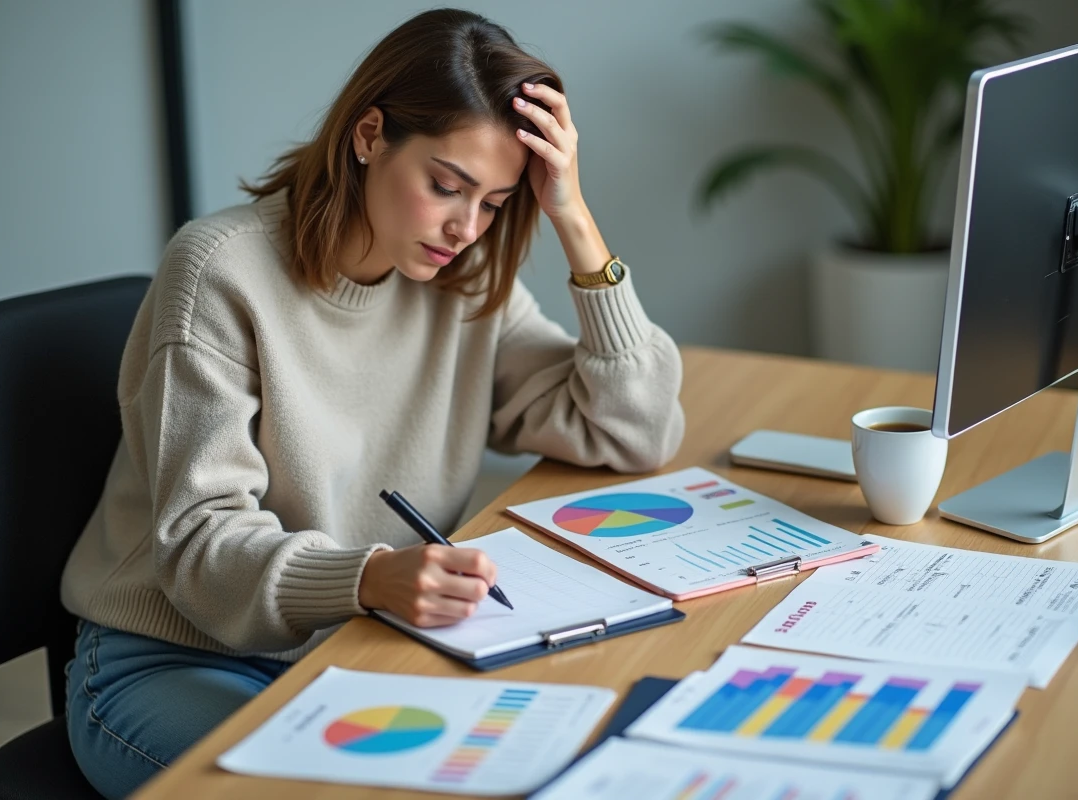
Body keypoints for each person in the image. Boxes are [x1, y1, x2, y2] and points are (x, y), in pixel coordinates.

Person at [59, 8, 684, 798]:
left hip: (354, 646)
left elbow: (635, 430)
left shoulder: (460, 280)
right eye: (445, 186)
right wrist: (369, 578)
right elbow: (197, 549)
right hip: (173, 657)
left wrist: (574, 217)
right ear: (368, 136)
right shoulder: (220, 272)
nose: (465, 227)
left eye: (494, 203)